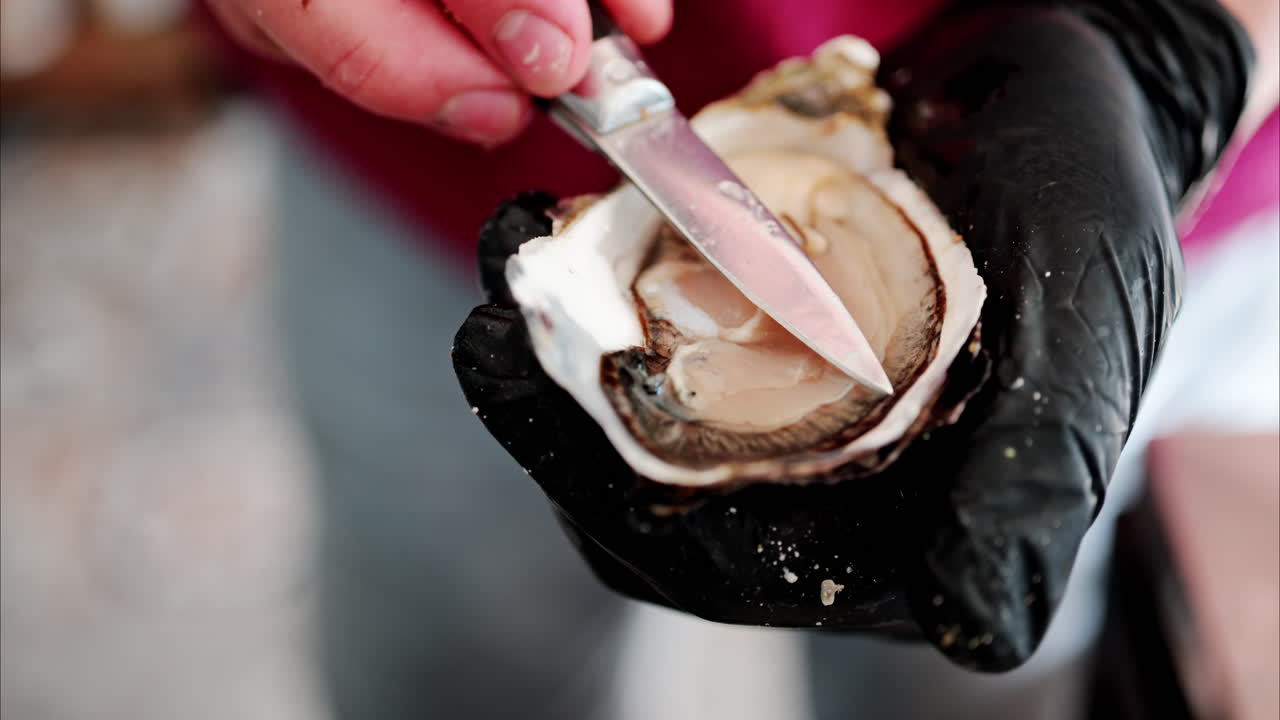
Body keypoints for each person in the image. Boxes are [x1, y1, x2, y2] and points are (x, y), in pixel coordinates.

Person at [203, 0, 1278, 718]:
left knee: (973, 655)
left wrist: (1181, 39)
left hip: (1084, 187)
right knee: (454, 655)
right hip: (440, 125)